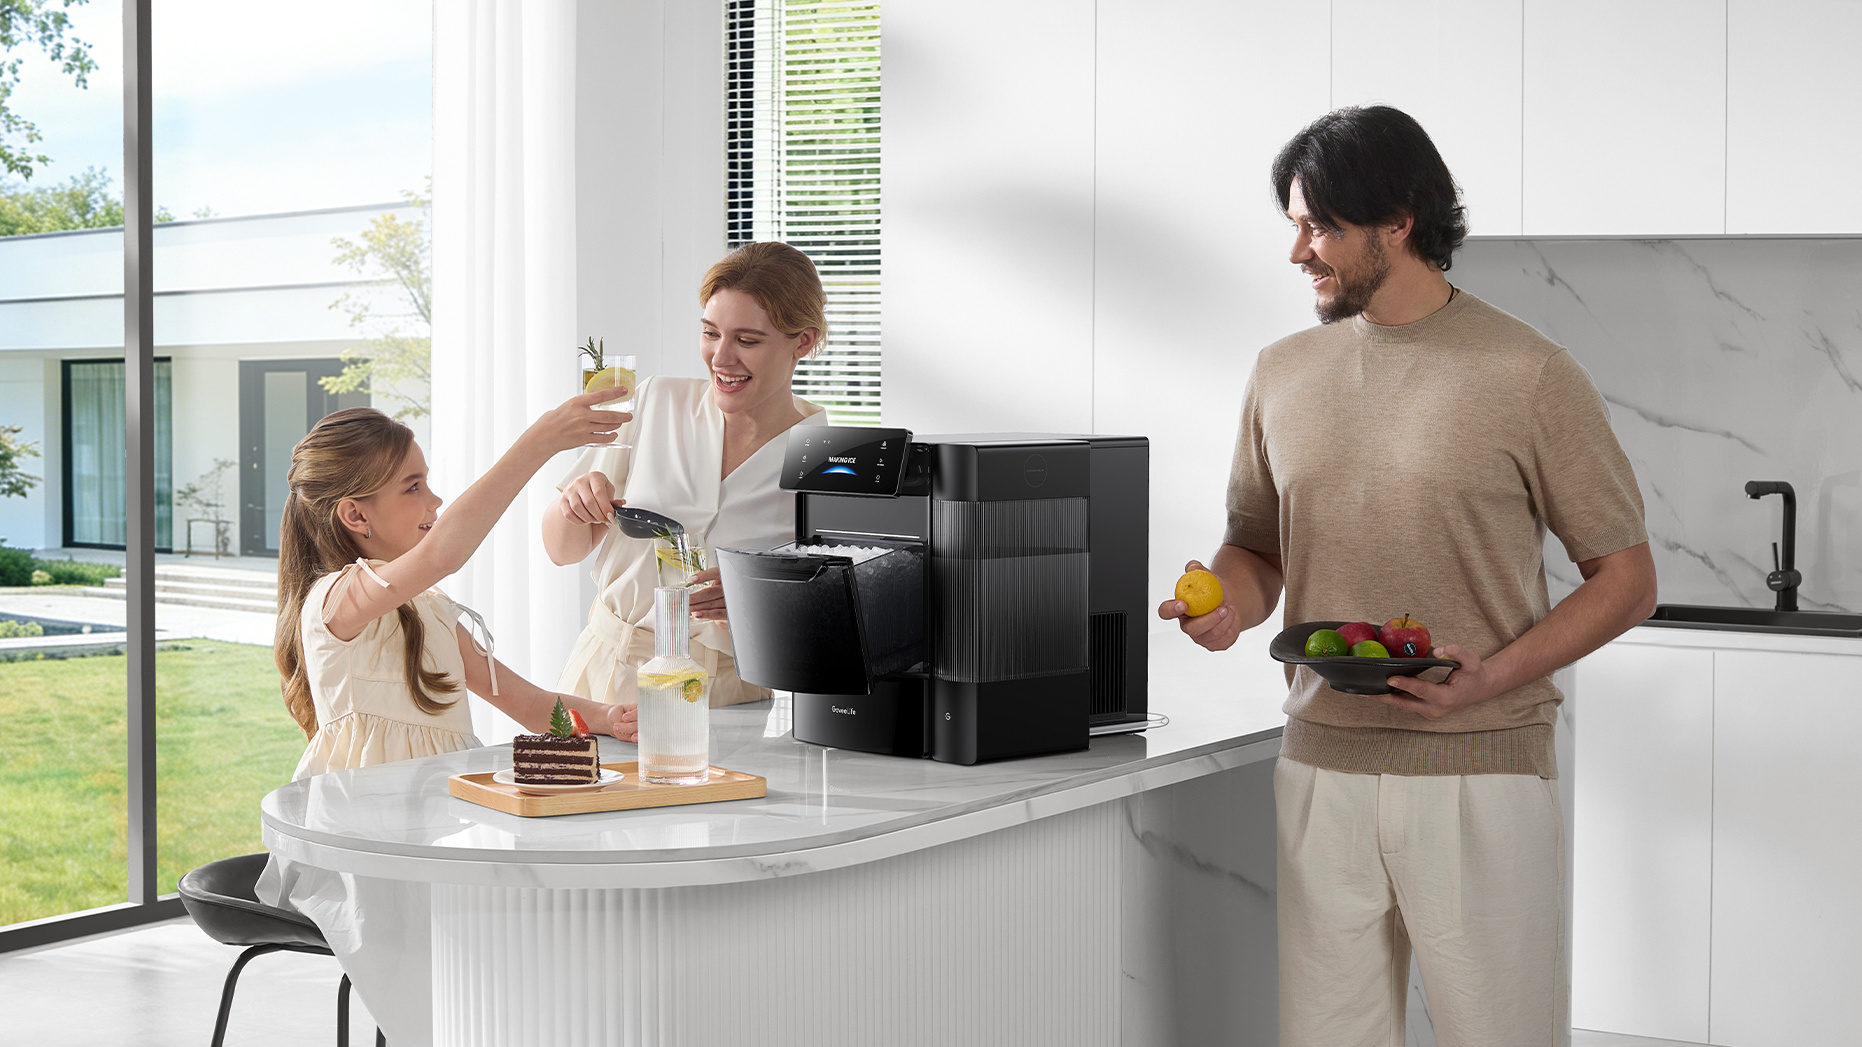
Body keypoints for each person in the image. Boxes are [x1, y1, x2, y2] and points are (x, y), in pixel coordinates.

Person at [1158, 105, 1658, 1046]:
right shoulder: (1280, 372)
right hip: (1320, 768)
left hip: (1481, 770)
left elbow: (1626, 579)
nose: (1298, 251)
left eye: (1320, 227)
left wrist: (1491, 678)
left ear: (1399, 222)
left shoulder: (1530, 372)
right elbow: (1258, 548)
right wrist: (1225, 602)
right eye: (1294, 225)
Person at [275, 396, 639, 780]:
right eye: (413, 488)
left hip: (436, 816)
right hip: (363, 819)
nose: (435, 500)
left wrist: (610, 716)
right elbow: (441, 556)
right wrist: (538, 443)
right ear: (355, 514)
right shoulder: (333, 601)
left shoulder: (430, 612)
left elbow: (531, 705)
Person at [543, 241, 829, 709]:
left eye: (748, 340)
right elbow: (561, 550)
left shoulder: (824, 459)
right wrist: (572, 507)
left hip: (729, 695)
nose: (721, 357)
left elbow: (827, 621)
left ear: (804, 341)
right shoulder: (657, 402)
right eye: (711, 333)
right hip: (609, 676)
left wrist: (752, 604)